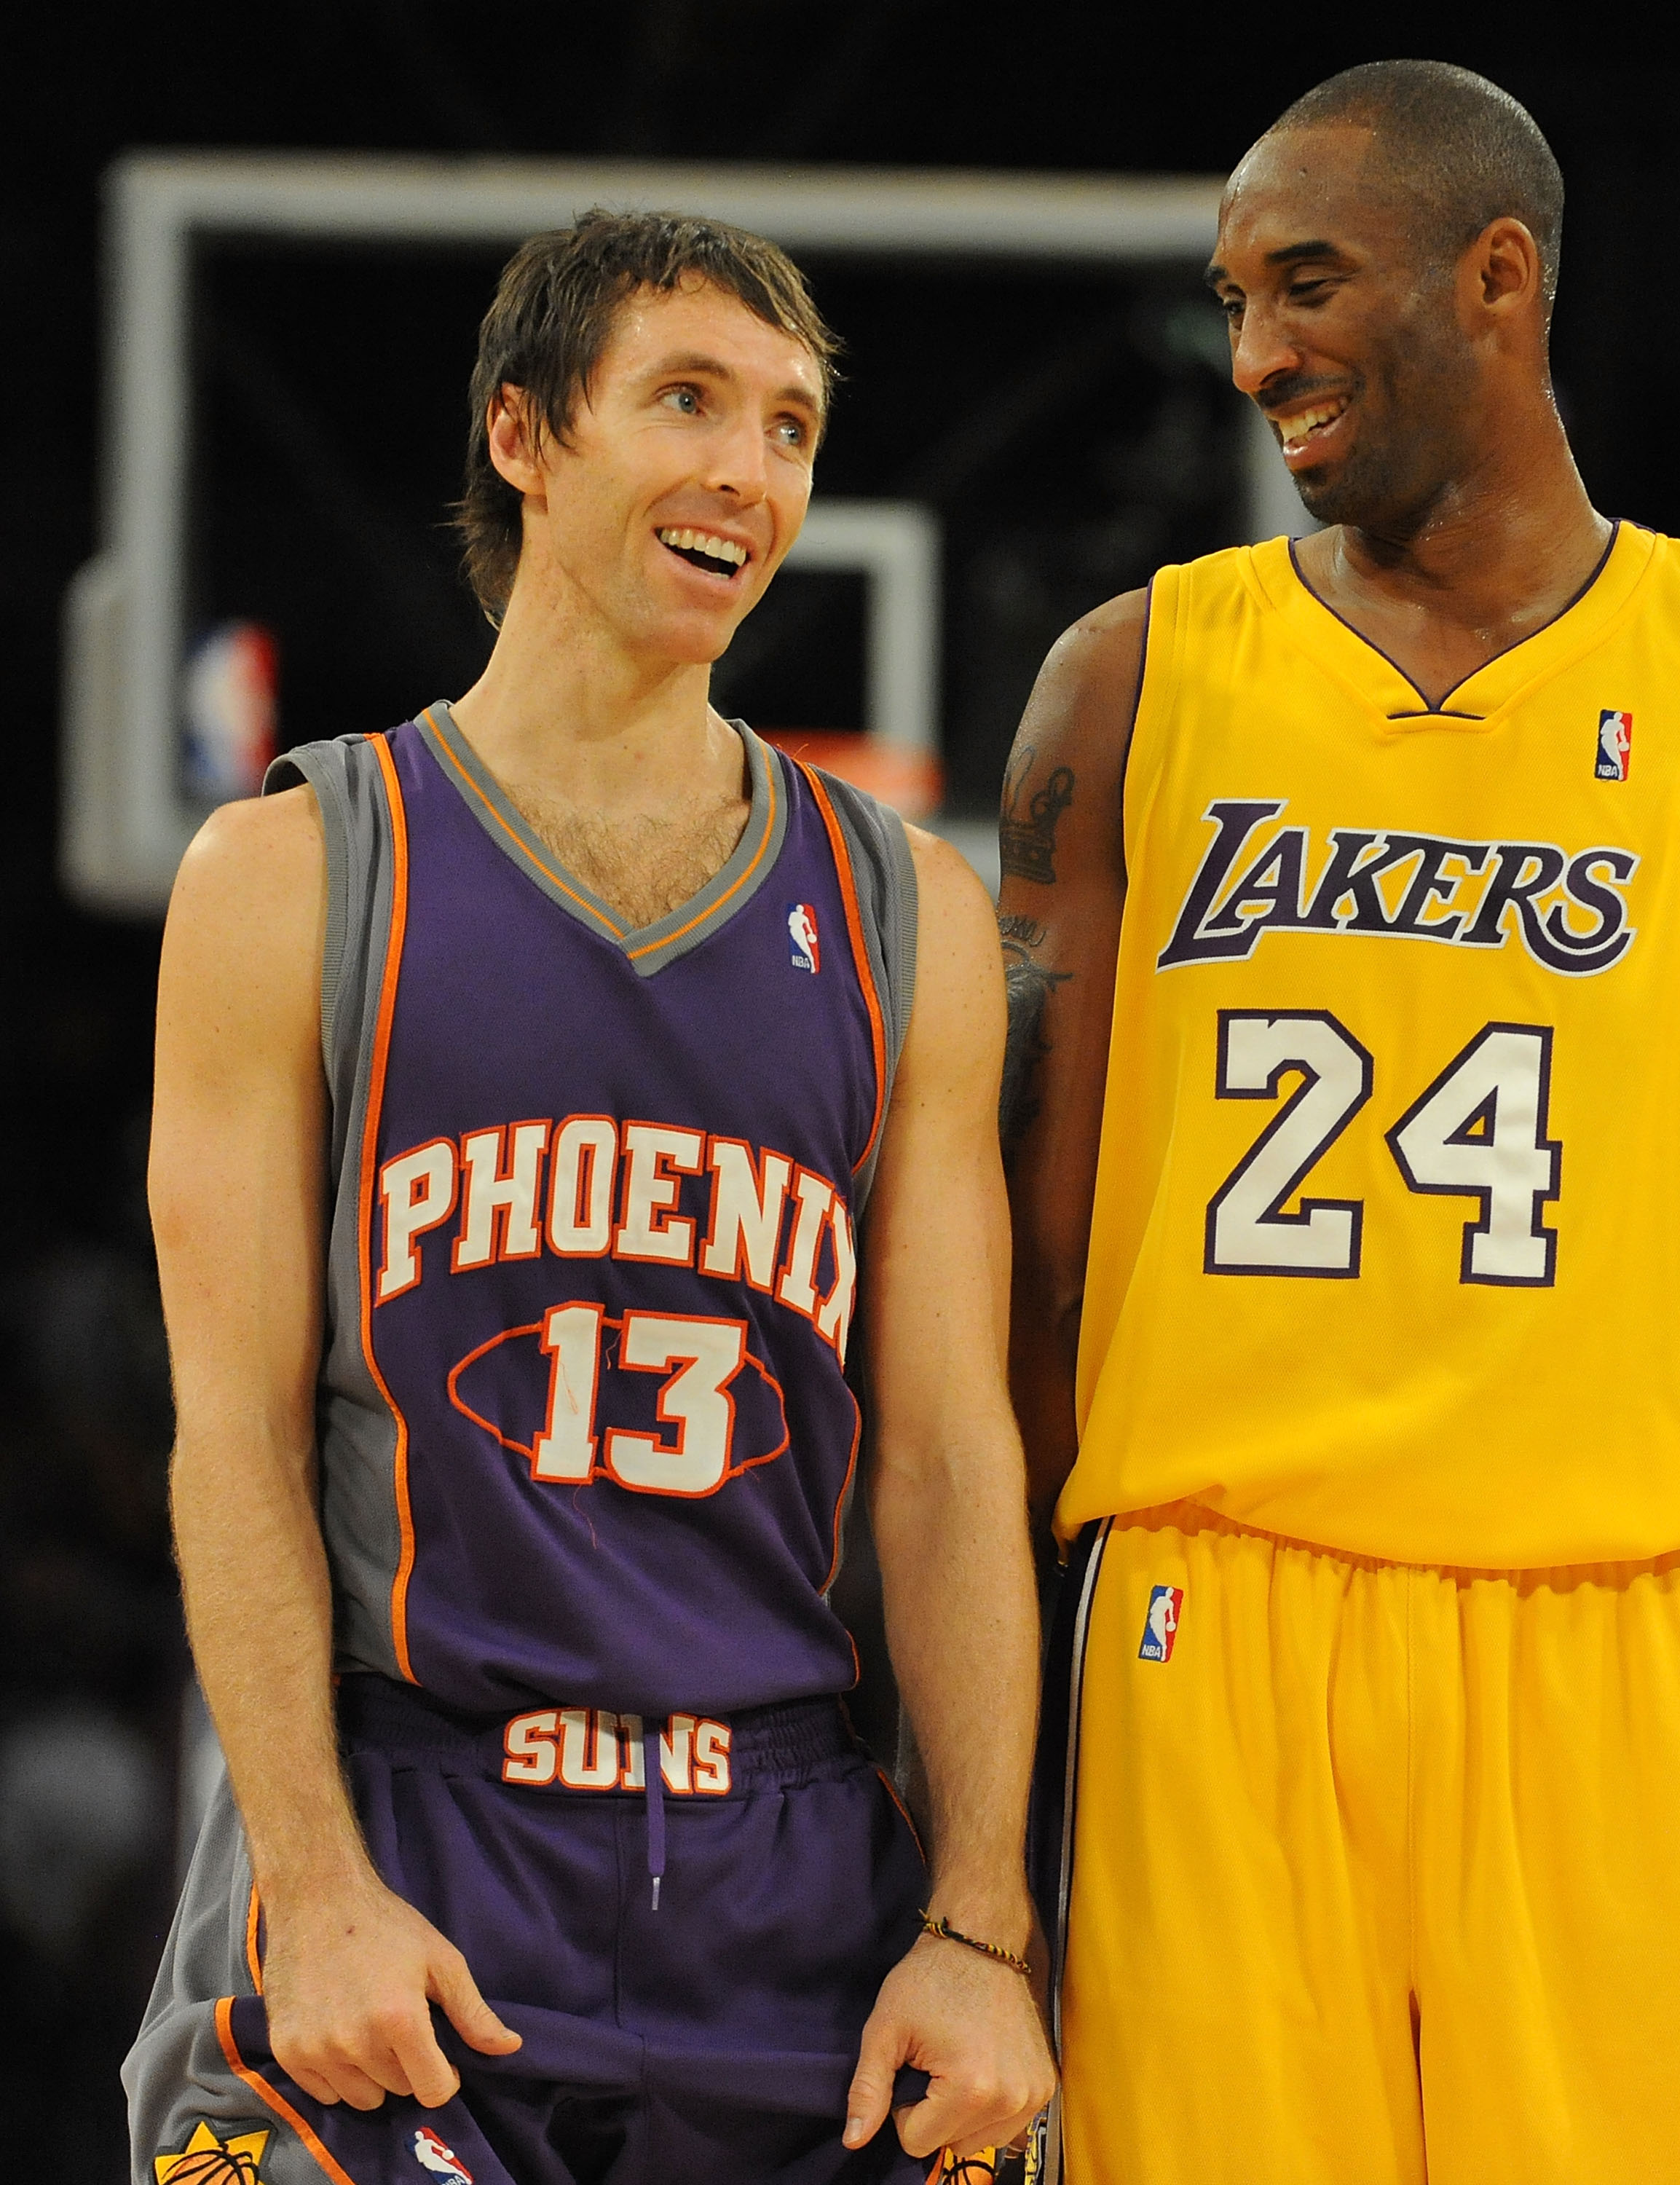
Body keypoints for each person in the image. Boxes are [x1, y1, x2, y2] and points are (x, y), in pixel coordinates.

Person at [1001, 62, 1680, 2185]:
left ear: (1498, 279)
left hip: (1625, 1645)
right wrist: (969, 1837)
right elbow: (1022, 1289)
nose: (1253, 349)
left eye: (1307, 281)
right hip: (1203, 1637)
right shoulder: (1124, 687)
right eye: (1234, 296)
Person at [128, 208, 1052, 2185]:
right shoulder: (292, 875)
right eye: (688, 402)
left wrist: (981, 1924)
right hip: (418, 1825)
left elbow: (954, 1464)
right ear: (525, 436)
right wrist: (311, 1875)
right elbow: (231, 1438)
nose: (750, 470)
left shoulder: (910, 915)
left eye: (793, 427)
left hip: (792, 1868)